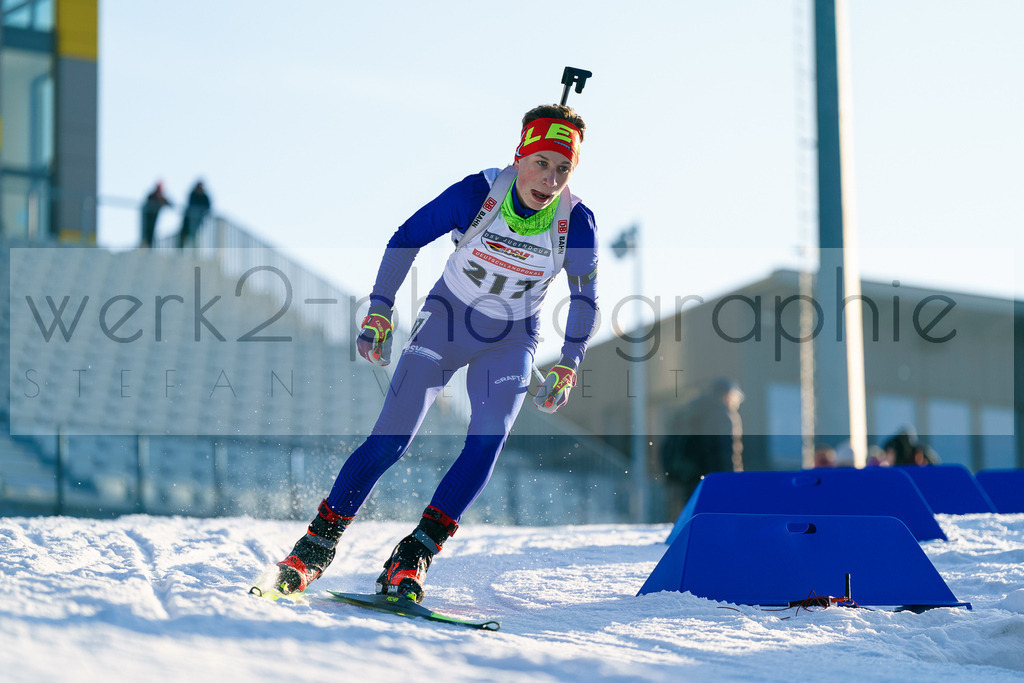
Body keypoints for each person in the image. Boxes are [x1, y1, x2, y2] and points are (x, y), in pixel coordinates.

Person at [271, 104, 599, 602]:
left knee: (488, 439)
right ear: (520, 157)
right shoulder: (477, 193)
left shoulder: (578, 223)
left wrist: (570, 361)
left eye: (563, 169)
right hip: (448, 320)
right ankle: (316, 545)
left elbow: (585, 299)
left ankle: (415, 554)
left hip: (511, 339)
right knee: (391, 441)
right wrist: (380, 308)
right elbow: (405, 238)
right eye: (542, 163)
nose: (550, 179)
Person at [660, 377, 744, 515]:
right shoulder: (722, 414)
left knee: (692, 516)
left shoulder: (693, 409)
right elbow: (726, 451)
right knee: (716, 517)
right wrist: (733, 480)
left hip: (687, 474)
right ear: (727, 394)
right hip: (713, 477)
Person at [178, 180, 211, 248]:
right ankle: (181, 250)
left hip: (198, 220)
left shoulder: (205, 197)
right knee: (185, 235)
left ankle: (195, 250)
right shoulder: (192, 195)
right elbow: (189, 206)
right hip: (188, 220)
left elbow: (208, 208)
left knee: (195, 235)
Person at [140, 182, 170, 248]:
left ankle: (149, 247)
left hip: (154, 220)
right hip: (148, 219)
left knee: (151, 235)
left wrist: (161, 199)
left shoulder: (161, 197)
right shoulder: (151, 196)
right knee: (146, 234)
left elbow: (170, 204)